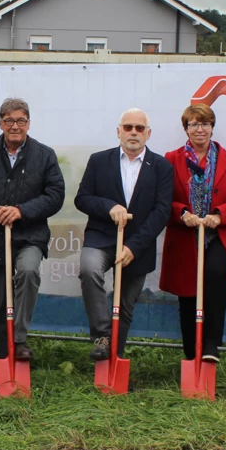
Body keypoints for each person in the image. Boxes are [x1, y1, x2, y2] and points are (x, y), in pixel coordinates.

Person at [0, 98, 65, 360]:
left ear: (28, 123)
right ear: (0, 123)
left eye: (20, 120)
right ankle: (4, 354)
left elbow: (55, 194)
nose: (15, 126)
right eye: (9, 120)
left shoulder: (44, 155)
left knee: (28, 271)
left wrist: (21, 211)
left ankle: (18, 341)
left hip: (30, 236)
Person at [75, 108, 173, 361]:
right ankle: (102, 337)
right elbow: (82, 199)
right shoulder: (99, 161)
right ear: (118, 131)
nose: (133, 132)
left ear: (148, 134)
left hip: (137, 244)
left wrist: (134, 247)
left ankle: (114, 356)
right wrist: (109, 207)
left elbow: (161, 212)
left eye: (139, 128)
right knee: (89, 269)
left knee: (125, 306)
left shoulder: (161, 166)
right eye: (128, 127)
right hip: (101, 237)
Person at [159, 104, 226, 362]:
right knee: (188, 292)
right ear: (185, 129)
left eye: (205, 124)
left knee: (216, 275)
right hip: (184, 235)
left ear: (212, 127)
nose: (200, 129)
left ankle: (210, 346)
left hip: (218, 233)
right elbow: (162, 198)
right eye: (194, 124)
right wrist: (182, 212)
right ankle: (190, 352)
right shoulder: (171, 159)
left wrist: (220, 215)